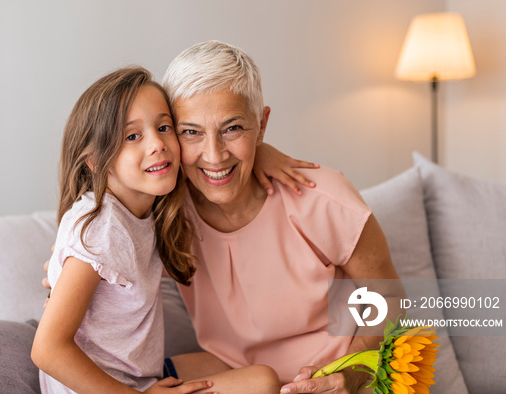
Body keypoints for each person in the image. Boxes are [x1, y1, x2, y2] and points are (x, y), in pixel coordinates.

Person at [157, 40, 402, 394]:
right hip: (239, 378)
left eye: (233, 128)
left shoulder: (323, 200)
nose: (214, 154)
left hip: (333, 374)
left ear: (262, 124)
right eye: (191, 132)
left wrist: (352, 373)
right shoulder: (168, 213)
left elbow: (389, 300)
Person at [31, 66, 282, 394]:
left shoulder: (152, 207)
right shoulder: (102, 229)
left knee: (220, 364)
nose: (157, 144)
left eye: (164, 127)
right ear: (94, 161)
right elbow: (47, 350)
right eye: (133, 136)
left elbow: (223, 161)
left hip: (134, 375)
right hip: (108, 387)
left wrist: (263, 153)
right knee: (263, 381)